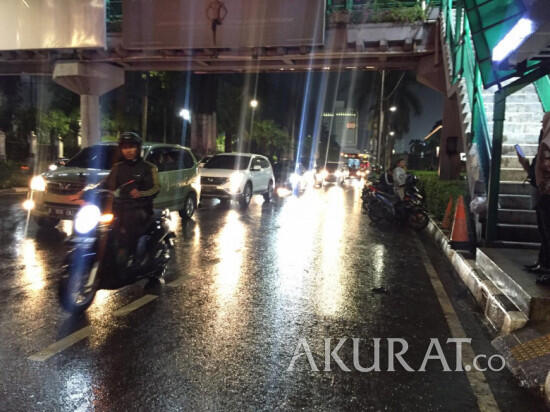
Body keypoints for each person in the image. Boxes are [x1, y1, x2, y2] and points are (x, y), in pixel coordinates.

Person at [102, 132, 160, 266]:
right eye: (125, 147)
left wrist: (141, 193)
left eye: (131, 147)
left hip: (140, 208)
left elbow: (155, 188)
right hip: (120, 206)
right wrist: (85, 192)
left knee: (129, 220)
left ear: (138, 148)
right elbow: (106, 184)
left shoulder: (149, 168)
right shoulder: (118, 168)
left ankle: (130, 254)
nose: (128, 150)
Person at [533, 112, 550, 282]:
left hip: (547, 191)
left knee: (547, 230)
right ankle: (543, 263)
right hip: (544, 191)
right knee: (544, 231)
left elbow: (546, 164)